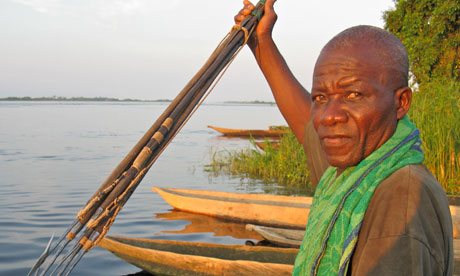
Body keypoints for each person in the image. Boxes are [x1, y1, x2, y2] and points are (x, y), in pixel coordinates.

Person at [235, 0, 454, 275]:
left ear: (401, 103)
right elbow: (306, 124)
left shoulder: (399, 197)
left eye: (353, 95)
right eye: (320, 98)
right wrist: (261, 42)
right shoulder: (353, 174)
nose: (328, 117)